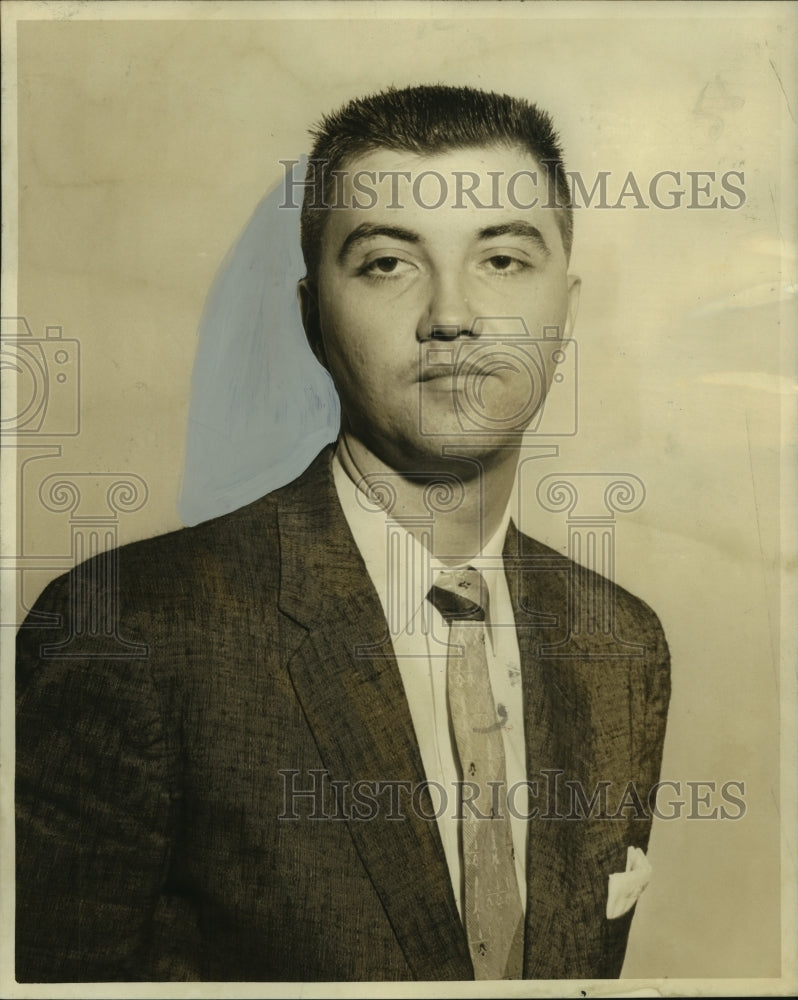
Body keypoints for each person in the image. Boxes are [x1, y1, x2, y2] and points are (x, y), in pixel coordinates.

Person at [15, 84, 671, 982]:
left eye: (505, 260)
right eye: (387, 263)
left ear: (567, 311)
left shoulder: (623, 647)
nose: (452, 315)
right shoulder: (126, 633)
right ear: (311, 314)